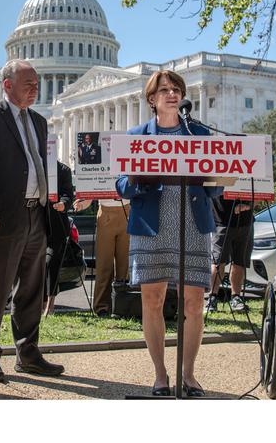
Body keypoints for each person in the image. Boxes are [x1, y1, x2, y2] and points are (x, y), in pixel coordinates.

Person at [115, 70, 224, 397]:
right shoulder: (137, 135)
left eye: (176, 89)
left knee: (193, 302)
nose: (172, 94)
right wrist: (134, 178)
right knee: (153, 299)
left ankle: (188, 375)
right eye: (164, 90)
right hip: (151, 225)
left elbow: (214, 190)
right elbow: (121, 186)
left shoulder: (200, 134)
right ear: (152, 99)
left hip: (192, 223)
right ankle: (161, 375)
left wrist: (218, 177)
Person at [0, 59, 65, 381]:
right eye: (29, 83)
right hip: (2, 218)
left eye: (36, 84)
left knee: (31, 290)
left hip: (35, 214)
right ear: (7, 85)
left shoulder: (38, 121)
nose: (35, 89)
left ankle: (28, 353)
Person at [72, 197, 130, 317]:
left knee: (124, 264)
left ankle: (121, 305)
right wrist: (82, 204)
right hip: (105, 211)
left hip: (127, 210)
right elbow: (92, 190)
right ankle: (102, 307)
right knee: (104, 264)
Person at [205, 196, 254, 313]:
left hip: (246, 222)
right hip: (221, 221)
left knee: (240, 262)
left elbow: (261, 190)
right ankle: (212, 297)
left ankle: (236, 297)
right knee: (218, 261)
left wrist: (250, 205)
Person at [43, 161, 75, 316]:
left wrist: (64, 203)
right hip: (37, 224)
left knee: (51, 264)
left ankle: (50, 304)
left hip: (57, 226)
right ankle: (39, 303)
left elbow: (68, 194)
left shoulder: (63, 169)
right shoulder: (34, 165)